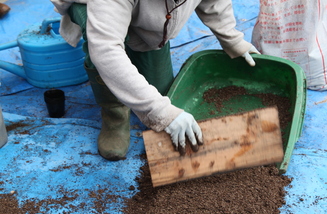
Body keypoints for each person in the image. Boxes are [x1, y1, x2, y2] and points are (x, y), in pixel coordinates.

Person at [50, 0, 259, 160]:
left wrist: (232, 39)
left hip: (153, 15)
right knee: (105, 52)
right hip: (93, 8)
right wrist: (161, 112)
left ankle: (143, 37)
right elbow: (105, 50)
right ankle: (114, 113)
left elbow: (213, 1)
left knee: (161, 91)